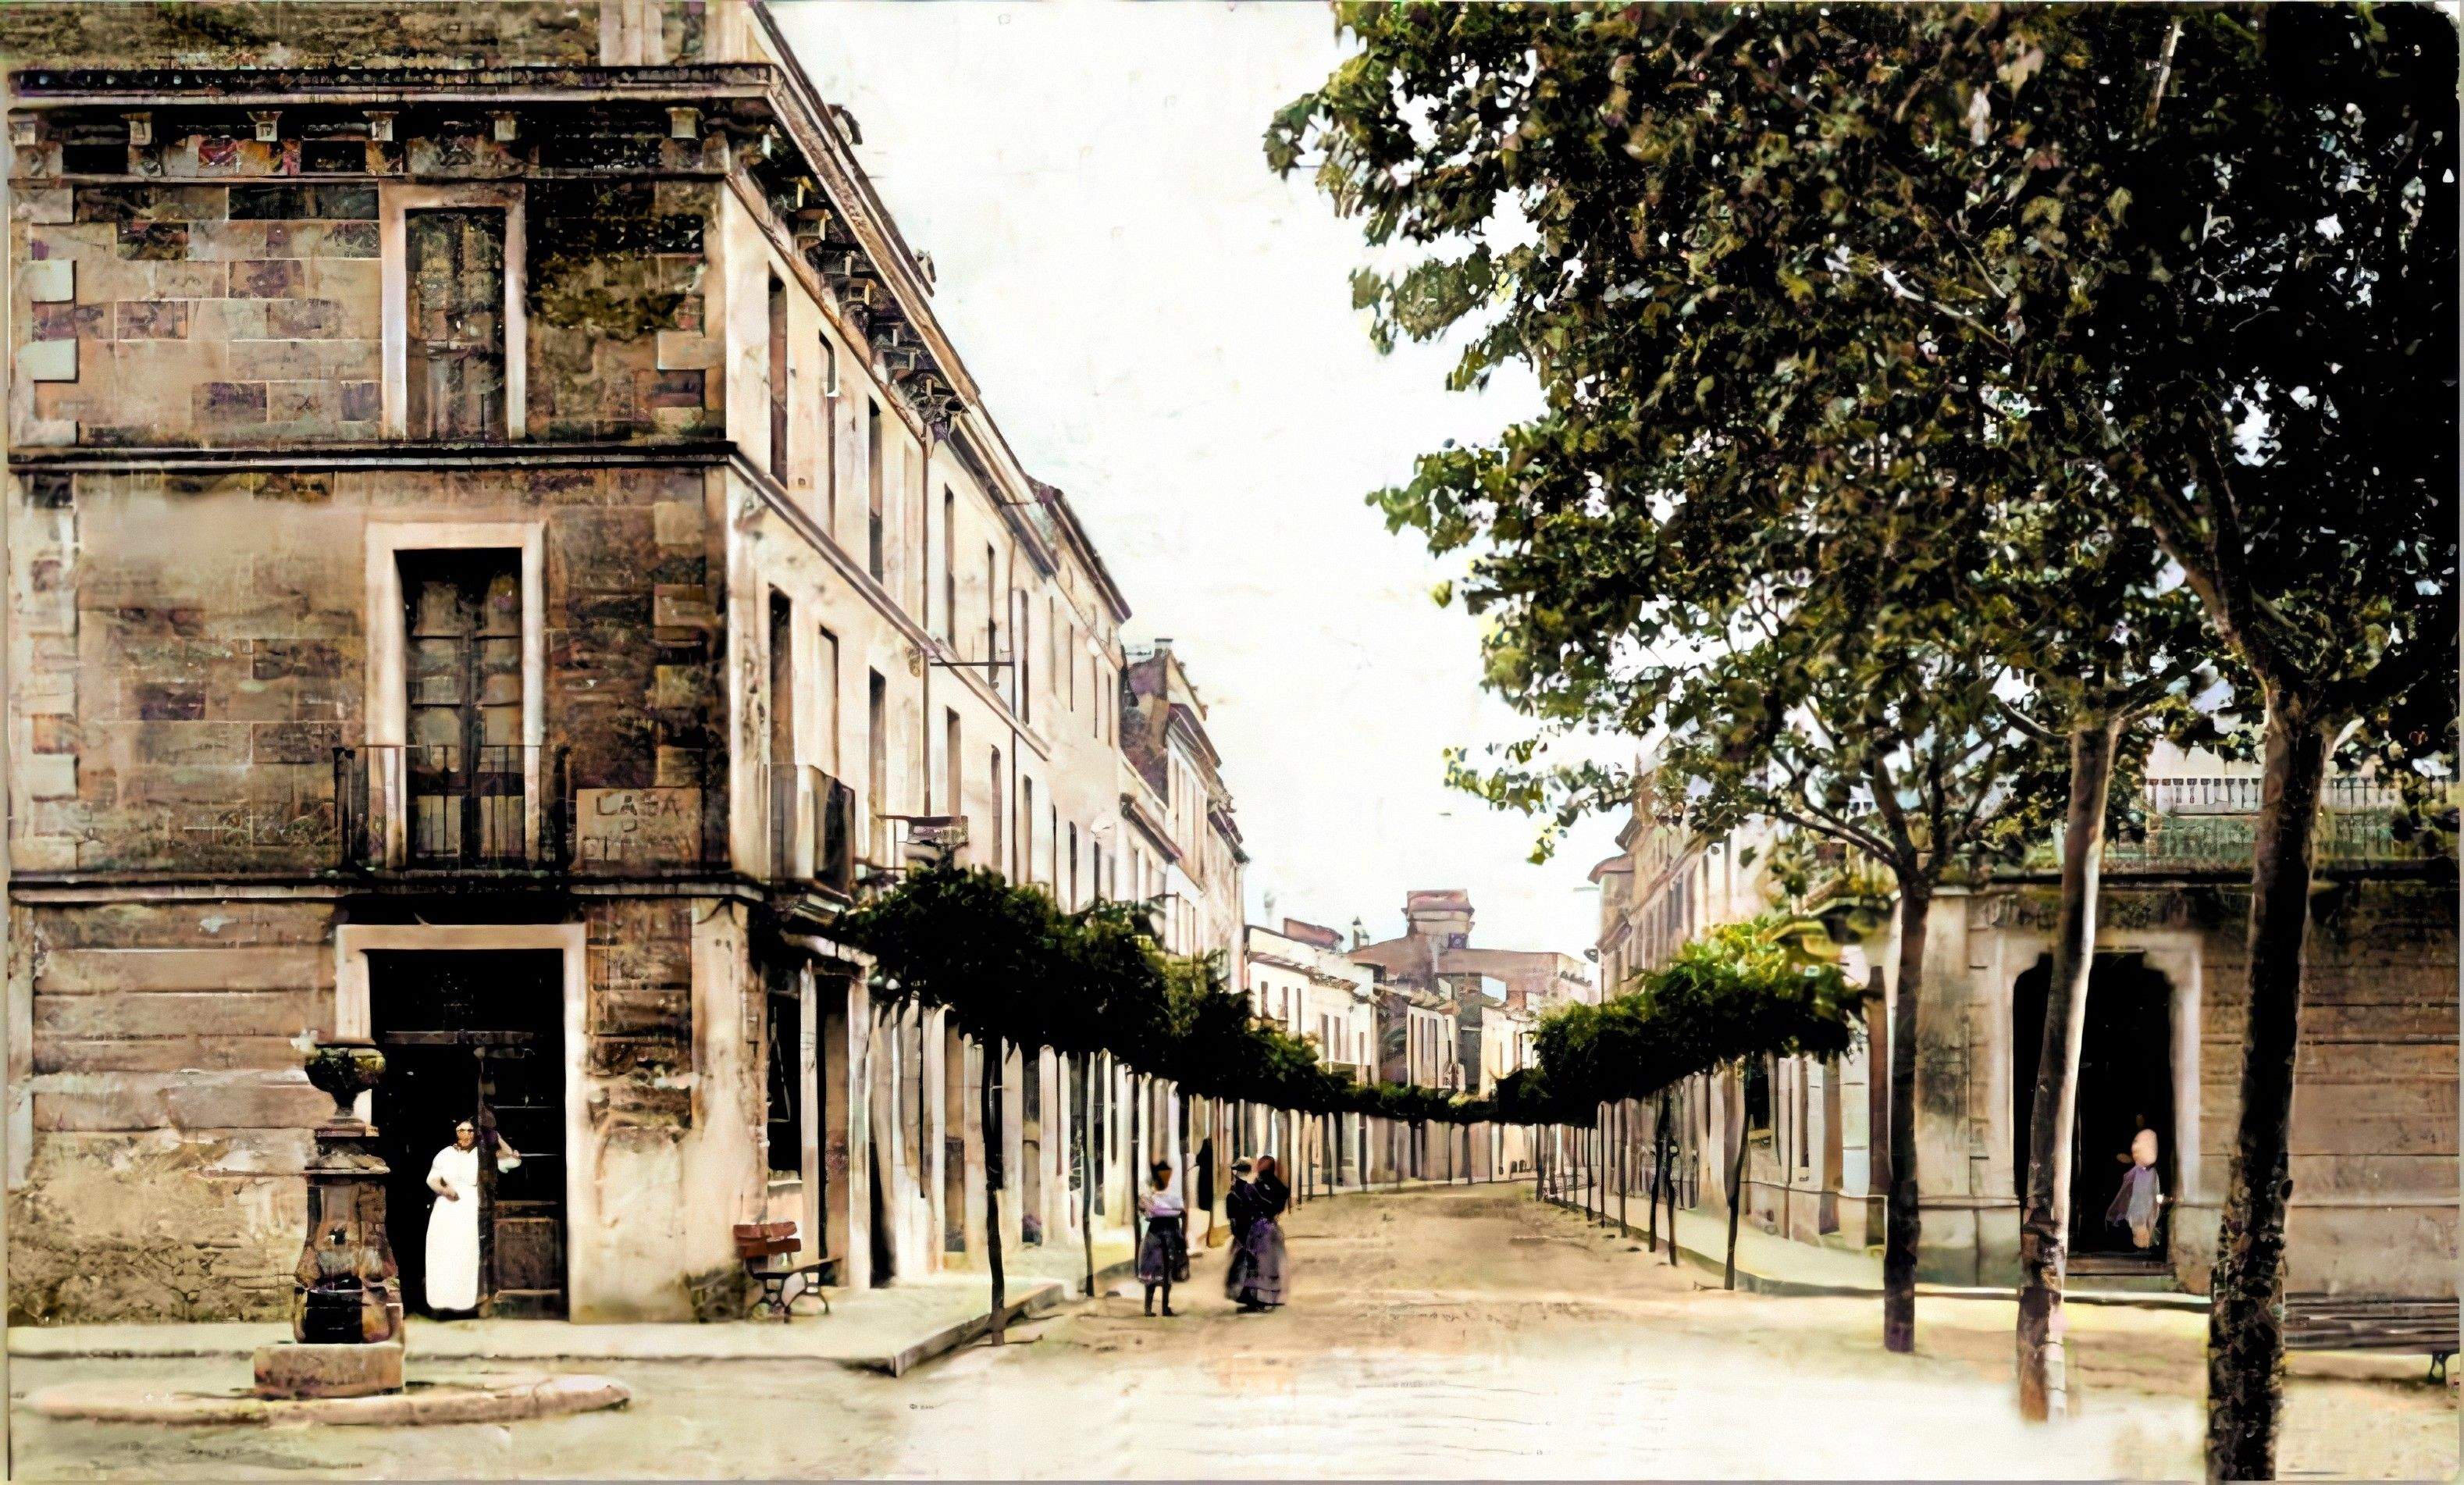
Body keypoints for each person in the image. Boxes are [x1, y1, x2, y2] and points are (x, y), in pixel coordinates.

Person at [424, 1118, 520, 1315]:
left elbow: (512, 1159)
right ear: (456, 1132)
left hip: (468, 1208)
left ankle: (463, 1304)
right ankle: (440, 1303)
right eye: (462, 1130)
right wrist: (444, 1189)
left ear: (474, 1133)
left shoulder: (482, 1155)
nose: (466, 1134)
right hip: (445, 1208)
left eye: (470, 1131)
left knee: (464, 1253)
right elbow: (431, 1179)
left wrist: (498, 1138)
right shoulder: (445, 1154)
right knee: (442, 1251)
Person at [1230, 1153, 1291, 1312]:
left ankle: (1259, 1298)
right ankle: (1261, 1297)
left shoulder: (1257, 1185)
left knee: (1260, 1265)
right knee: (1264, 1265)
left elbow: (1257, 1203)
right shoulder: (1265, 1185)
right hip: (1265, 1228)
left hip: (1261, 1229)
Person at [1136, 1159, 1187, 1316]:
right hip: (1164, 1239)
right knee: (1163, 1275)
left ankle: (1150, 1308)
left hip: (1156, 1238)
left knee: (1157, 1276)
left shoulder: (1154, 1198)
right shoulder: (1170, 1198)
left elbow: (1147, 1214)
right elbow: (1182, 1215)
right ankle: (1162, 1308)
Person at [2106, 1126, 2164, 1250]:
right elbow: (2128, 1181)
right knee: (2140, 1220)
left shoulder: (2152, 1172)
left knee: (2144, 1219)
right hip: (2139, 1201)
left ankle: (2144, 1242)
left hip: (2145, 1201)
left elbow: (2154, 1187)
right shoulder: (2140, 1171)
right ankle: (2142, 1242)